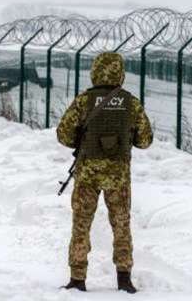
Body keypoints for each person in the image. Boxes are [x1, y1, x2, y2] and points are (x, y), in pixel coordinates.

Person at [56, 52, 153, 293]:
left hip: (87, 172)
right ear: (120, 72)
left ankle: (77, 279)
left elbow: (63, 134)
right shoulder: (130, 102)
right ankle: (124, 279)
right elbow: (145, 140)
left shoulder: (84, 101)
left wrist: (82, 140)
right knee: (121, 225)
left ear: (95, 71)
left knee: (81, 225)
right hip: (118, 175)